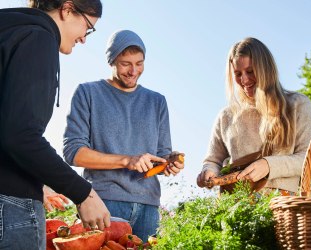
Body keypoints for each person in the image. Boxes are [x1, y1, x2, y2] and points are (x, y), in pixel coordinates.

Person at [0, 1, 111, 249]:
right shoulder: (38, 38)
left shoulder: (9, 29)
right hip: (9, 205)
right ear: (67, 9)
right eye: (88, 27)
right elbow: (20, 135)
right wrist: (84, 194)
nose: (84, 38)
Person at [63, 29, 185, 242]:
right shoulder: (88, 93)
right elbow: (73, 152)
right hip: (104, 203)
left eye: (139, 63)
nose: (133, 71)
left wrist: (170, 163)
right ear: (111, 61)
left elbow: (161, 157)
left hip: (149, 206)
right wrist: (127, 160)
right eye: (125, 64)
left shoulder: (157, 102)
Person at [197, 37, 311, 195]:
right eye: (237, 74)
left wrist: (268, 165)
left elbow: (309, 159)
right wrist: (208, 171)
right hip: (235, 206)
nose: (244, 80)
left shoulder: (297, 105)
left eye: (250, 71)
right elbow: (213, 160)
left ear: (266, 69)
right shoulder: (226, 116)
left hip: (282, 205)